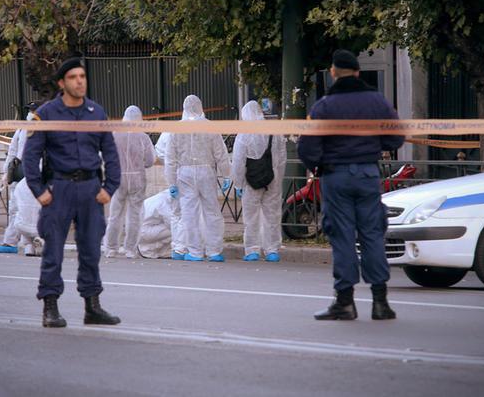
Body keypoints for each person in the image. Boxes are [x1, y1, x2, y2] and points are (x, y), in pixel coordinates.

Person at [297, 49, 405, 321]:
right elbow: (395, 138)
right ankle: (380, 303)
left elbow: (307, 146)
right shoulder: (377, 101)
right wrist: (373, 146)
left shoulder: (324, 106)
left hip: (336, 177)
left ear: (333, 72)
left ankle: (344, 302)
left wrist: (318, 165)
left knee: (342, 236)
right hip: (368, 174)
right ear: (358, 72)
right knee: (372, 234)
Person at [23, 57, 121, 328]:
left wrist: (110, 187)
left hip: (90, 189)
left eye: (82, 76)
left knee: (91, 249)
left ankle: (92, 306)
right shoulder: (46, 114)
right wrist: (39, 190)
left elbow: (110, 152)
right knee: (53, 251)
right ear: (61, 83)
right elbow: (30, 156)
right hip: (59, 189)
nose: (79, 81)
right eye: (73, 77)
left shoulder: (96, 113)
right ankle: (50, 307)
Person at [165, 95, 231, 262]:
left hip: (185, 173)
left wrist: (171, 182)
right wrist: (227, 175)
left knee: (189, 214)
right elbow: (221, 154)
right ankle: (214, 251)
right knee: (212, 211)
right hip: (207, 172)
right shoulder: (210, 127)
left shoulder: (176, 129)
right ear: (201, 107)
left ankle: (194, 252)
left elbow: (170, 159)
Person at [231, 100, 287, 262]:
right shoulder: (274, 131)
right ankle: (272, 250)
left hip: (251, 180)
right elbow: (282, 158)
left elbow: (238, 161)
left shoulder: (244, 134)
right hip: (272, 178)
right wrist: (278, 177)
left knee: (251, 217)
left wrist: (237, 183)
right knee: (272, 215)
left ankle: (252, 250)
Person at [104, 105, 156, 258]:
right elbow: (150, 161)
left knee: (115, 215)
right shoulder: (143, 137)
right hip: (137, 179)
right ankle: (130, 249)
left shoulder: (114, 135)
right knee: (134, 215)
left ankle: (111, 248)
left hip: (118, 179)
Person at [0, 102, 40, 255]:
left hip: (35, 173)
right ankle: (18, 243)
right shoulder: (22, 129)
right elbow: (12, 151)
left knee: (30, 210)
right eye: (30, 111)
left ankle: (25, 243)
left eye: (33, 111)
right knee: (18, 209)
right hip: (21, 172)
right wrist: (6, 173)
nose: (31, 114)